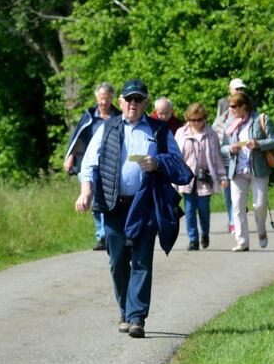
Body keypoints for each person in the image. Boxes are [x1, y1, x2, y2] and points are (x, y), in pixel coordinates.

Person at [74, 79, 190, 339]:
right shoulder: (108, 128)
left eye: (138, 99)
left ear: (146, 103)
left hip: (145, 204)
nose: (133, 104)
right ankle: (125, 311)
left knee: (141, 260)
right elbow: (89, 163)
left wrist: (157, 163)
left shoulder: (158, 130)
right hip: (114, 205)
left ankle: (137, 317)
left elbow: (178, 162)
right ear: (121, 102)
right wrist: (86, 191)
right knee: (117, 261)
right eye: (129, 99)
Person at [63, 82, 120, 251]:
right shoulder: (89, 117)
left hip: (111, 163)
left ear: (112, 98)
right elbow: (78, 138)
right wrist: (70, 157)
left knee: (108, 197)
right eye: (101, 98)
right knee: (93, 199)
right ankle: (101, 234)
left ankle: (108, 233)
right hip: (89, 164)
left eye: (106, 98)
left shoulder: (118, 116)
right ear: (96, 98)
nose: (103, 102)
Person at [220, 91, 274, 251]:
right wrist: (230, 148)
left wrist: (258, 144)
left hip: (258, 168)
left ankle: (261, 230)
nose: (231, 109)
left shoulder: (260, 119)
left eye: (234, 106)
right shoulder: (229, 123)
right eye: (230, 106)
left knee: (259, 205)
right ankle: (242, 241)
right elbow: (223, 147)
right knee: (237, 206)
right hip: (237, 169)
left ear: (244, 106)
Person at [174, 102, 226, 250]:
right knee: (189, 209)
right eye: (193, 120)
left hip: (205, 177)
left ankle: (205, 233)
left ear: (204, 118)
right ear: (188, 119)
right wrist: (173, 179)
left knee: (203, 209)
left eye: (199, 120)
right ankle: (193, 240)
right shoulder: (181, 133)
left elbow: (217, 156)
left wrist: (222, 177)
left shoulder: (211, 133)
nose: (196, 123)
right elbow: (176, 157)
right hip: (187, 177)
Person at [214, 78, 247, 232]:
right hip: (226, 153)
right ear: (230, 90)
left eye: (242, 89)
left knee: (239, 192)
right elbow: (218, 125)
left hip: (243, 156)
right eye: (237, 89)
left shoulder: (249, 103)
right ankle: (232, 220)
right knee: (227, 191)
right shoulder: (222, 103)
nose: (240, 91)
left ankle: (237, 216)